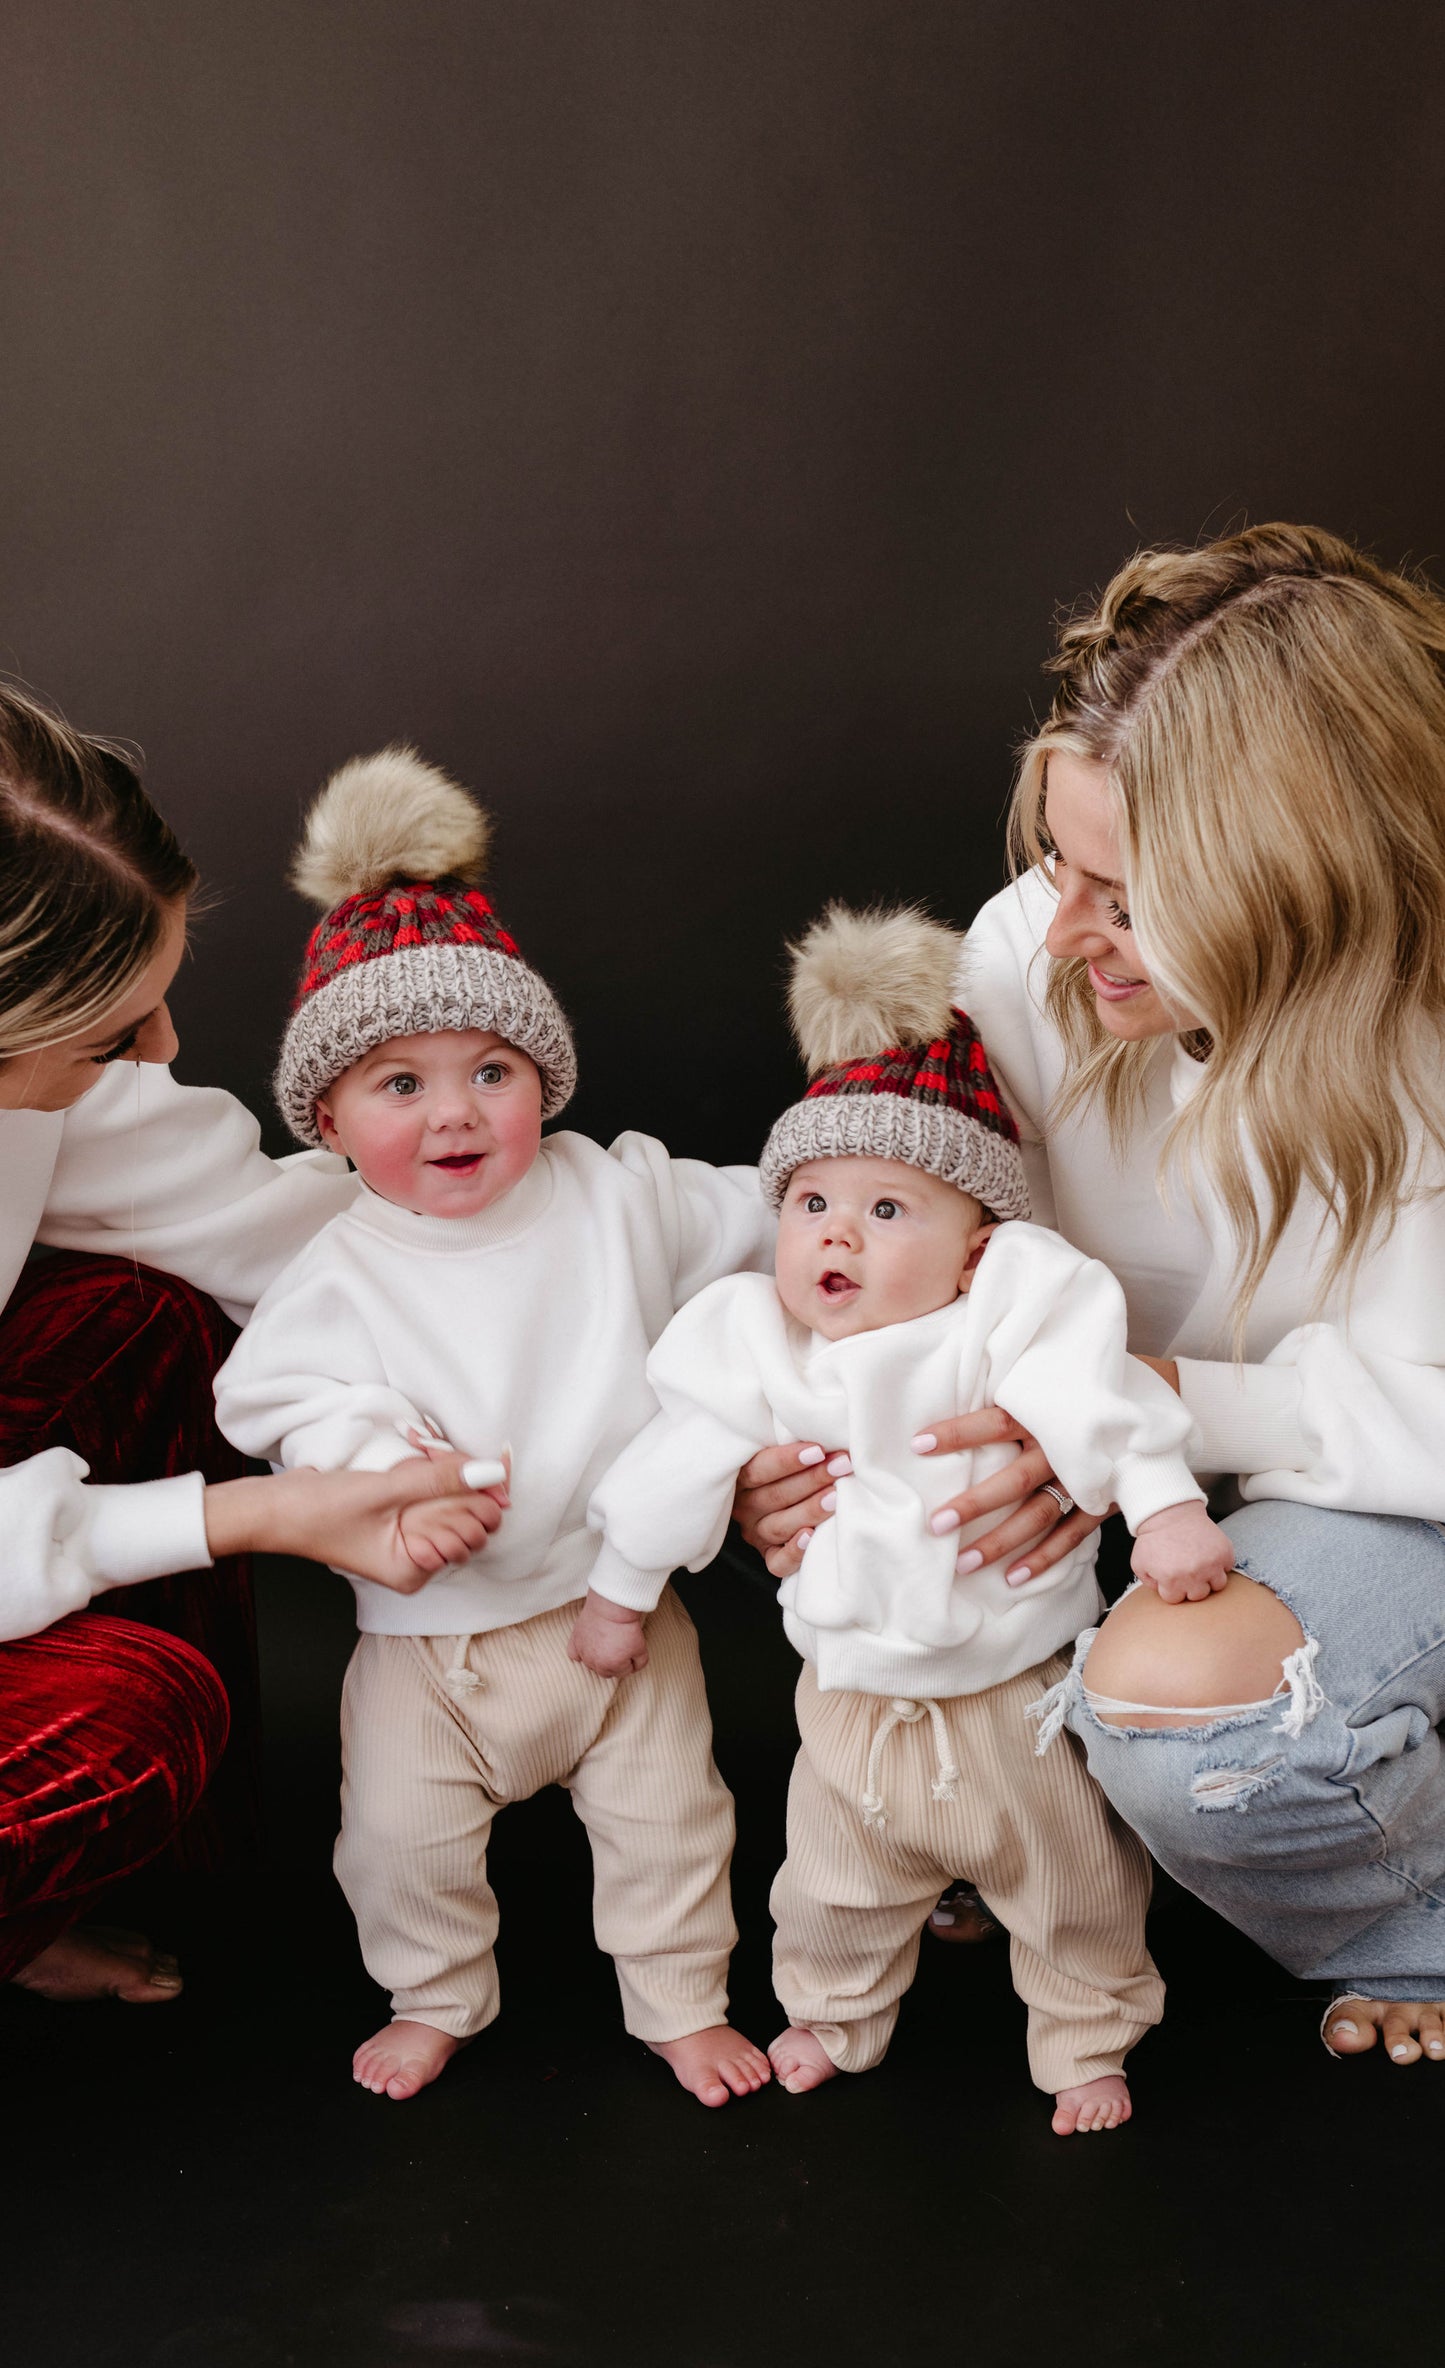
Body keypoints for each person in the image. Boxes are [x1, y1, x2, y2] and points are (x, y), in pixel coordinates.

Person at [735, 523, 1445, 2070]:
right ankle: (997, 1816)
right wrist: (788, 1443)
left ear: (1296, 884)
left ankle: (1413, 1920)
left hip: (1401, 1489)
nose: (1062, 931)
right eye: (1061, 863)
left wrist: (1152, 1408)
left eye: (1122, 892)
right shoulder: (1031, 956)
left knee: (1184, 1713)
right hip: (1174, 1488)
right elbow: (916, 1262)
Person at [583, 904, 1234, 2132]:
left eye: (888, 1211)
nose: (834, 1231)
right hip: (849, 1699)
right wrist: (621, 1588)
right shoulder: (752, 1339)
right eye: (811, 1202)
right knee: (827, 1886)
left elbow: (1097, 1405)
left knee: (1075, 1883)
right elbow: (675, 1461)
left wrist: (1160, 1512)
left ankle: (1087, 2037)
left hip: (1013, 1693)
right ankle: (831, 2017)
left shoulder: (1000, 1315)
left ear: (974, 1245)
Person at [215, 746, 778, 2107]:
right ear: (332, 1122)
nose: (453, 1110)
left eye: (490, 1070)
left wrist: (854, 1200)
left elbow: (768, 1204)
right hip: (430, 1651)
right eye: (398, 1086)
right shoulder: (338, 1261)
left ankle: (677, 1996)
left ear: (545, 1079)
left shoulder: (615, 1194)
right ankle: (435, 1991)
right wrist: (378, 1472)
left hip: (618, 1612)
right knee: (398, 1844)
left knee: (670, 1823)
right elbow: (273, 1397)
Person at [0, 687, 507, 2010]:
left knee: (143, 1314)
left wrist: (774, 1289)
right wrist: (250, 1514)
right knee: (125, 1726)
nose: (161, 1048)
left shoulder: (45, 1087)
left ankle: (112, 1879)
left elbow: (269, 1226)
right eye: (117, 1029)